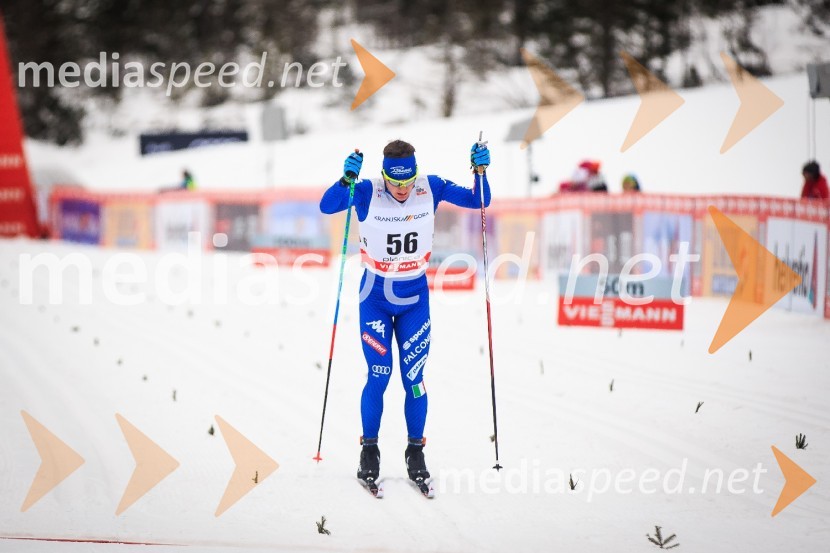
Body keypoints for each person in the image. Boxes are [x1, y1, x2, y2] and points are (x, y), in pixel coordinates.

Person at [319, 139, 491, 486]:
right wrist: (345, 181)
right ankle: (370, 449)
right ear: (384, 176)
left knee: (414, 380)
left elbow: (479, 200)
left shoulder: (432, 187)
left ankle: (416, 450)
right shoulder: (368, 191)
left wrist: (480, 172)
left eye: (407, 182)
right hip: (375, 297)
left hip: (414, 298)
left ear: (415, 174)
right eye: (395, 183)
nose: (402, 189)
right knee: (379, 375)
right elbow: (327, 206)